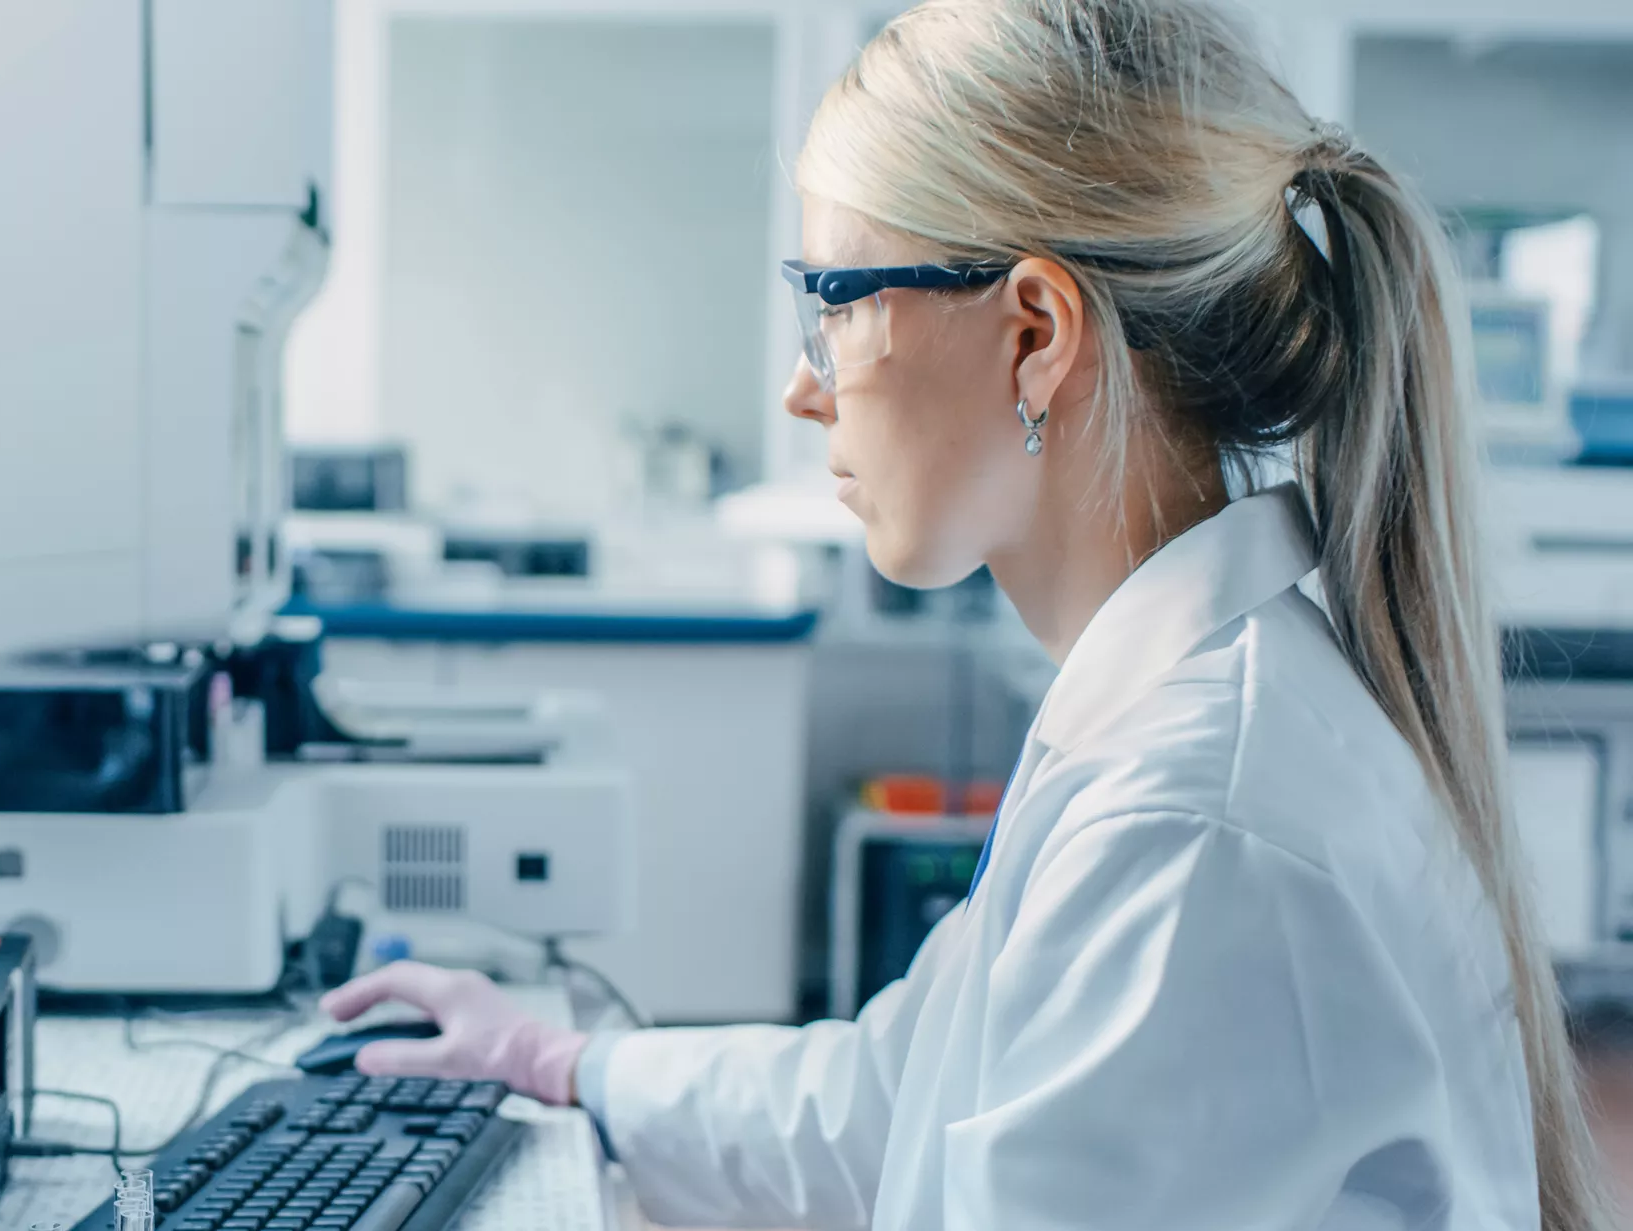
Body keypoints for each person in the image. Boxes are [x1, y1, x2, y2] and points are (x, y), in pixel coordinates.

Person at [317, 1, 1617, 1227]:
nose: (801, 389)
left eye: (834, 307)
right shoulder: (1177, 722)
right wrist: (559, 1063)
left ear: (1036, 333)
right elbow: (898, 1102)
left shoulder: (1194, 831)